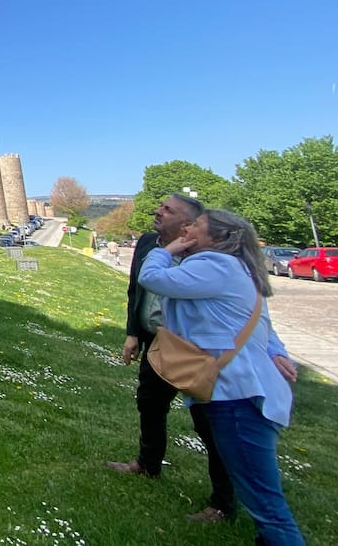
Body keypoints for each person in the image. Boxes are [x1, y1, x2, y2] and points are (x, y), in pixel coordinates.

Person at [138, 209, 303, 545]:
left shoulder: (214, 265)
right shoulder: (236, 267)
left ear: (217, 238)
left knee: (269, 508)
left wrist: (166, 251)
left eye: (196, 225)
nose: (188, 228)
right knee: (261, 498)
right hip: (245, 390)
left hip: (237, 397)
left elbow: (152, 278)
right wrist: (275, 351)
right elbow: (261, 323)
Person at [106, 193, 238, 522]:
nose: (158, 212)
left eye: (168, 210)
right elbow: (136, 290)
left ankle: (223, 502)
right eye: (161, 207)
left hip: (194, 347)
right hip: (156, 340)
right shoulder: (148, 242)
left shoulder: (201, 252)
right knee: (149, 403)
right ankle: (148, 464)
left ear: (187, 223)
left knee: (207, 423)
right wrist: (133, 332)